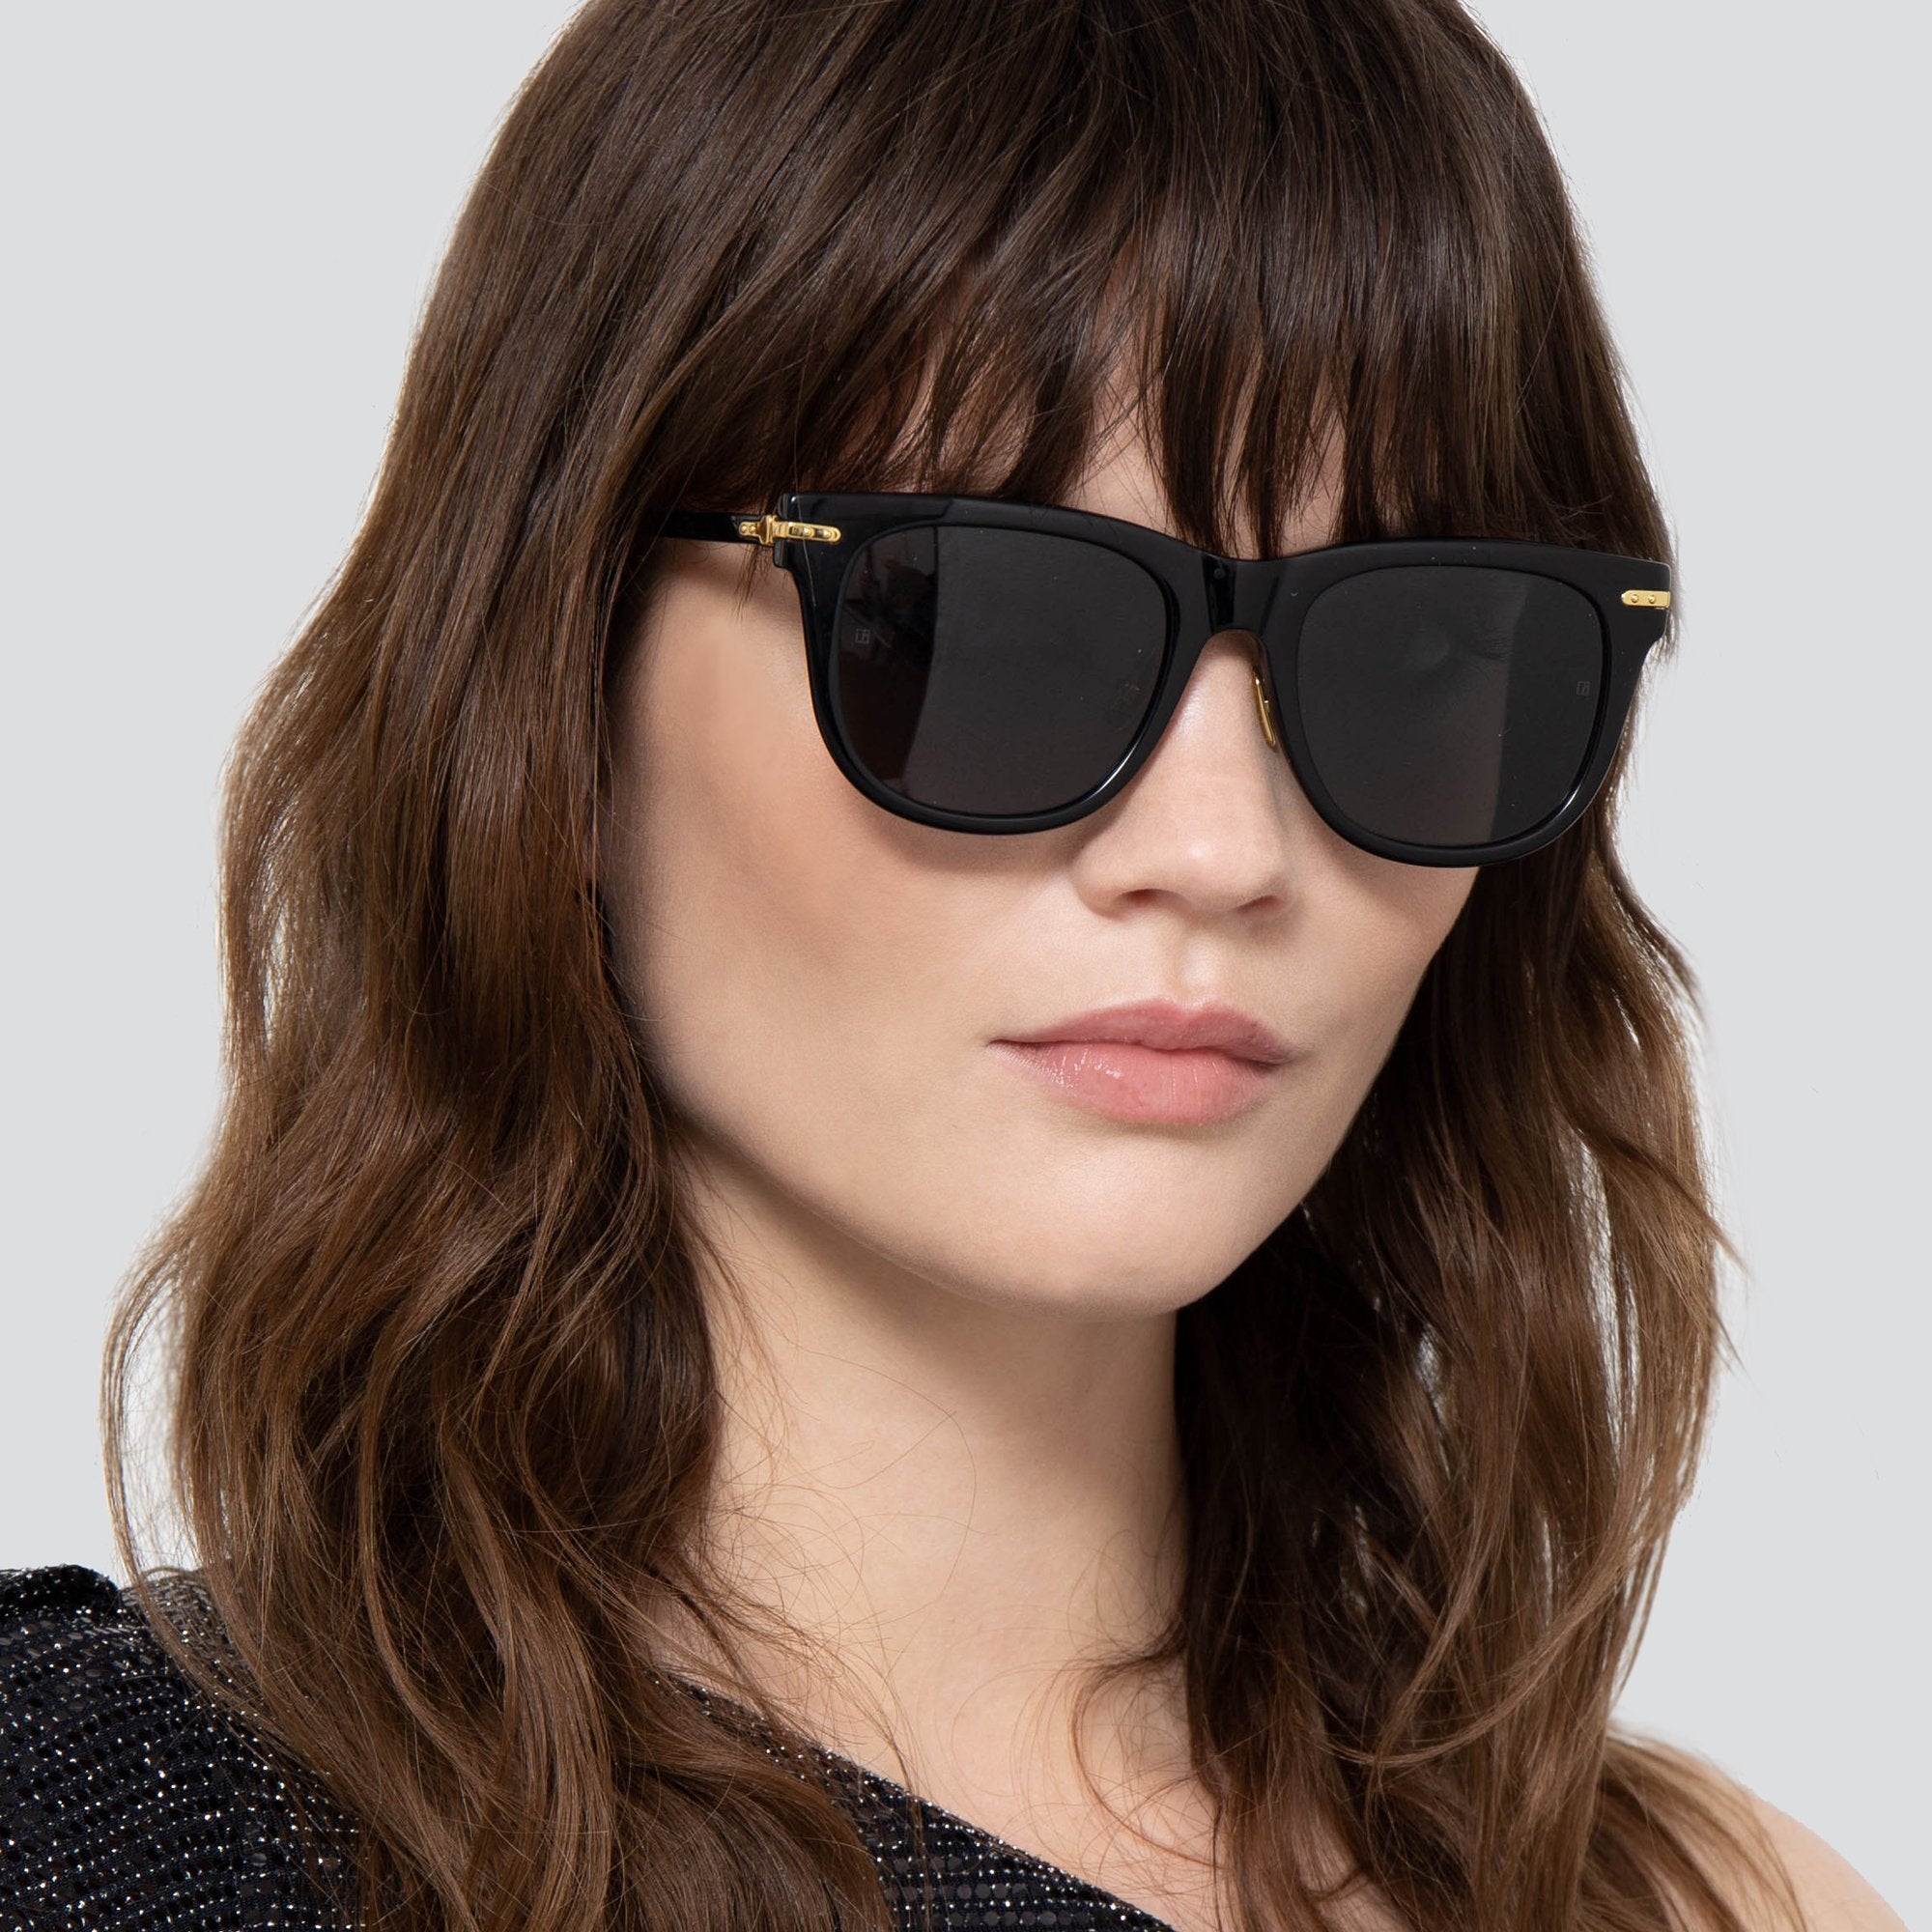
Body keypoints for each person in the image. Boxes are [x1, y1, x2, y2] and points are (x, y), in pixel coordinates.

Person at [0, 1, 1904, 1928]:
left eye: (1413, 657)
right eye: (983, 632)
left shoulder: (1712, 1905)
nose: (1225, 852)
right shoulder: (100, 1838)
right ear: (552, 698)